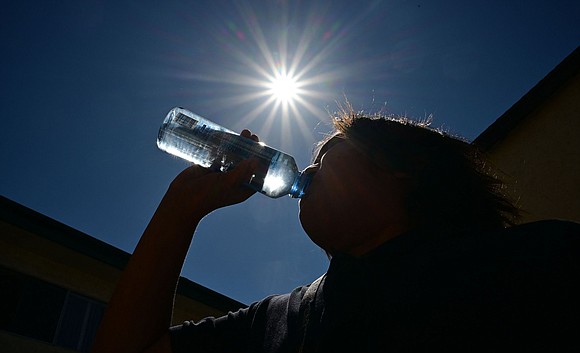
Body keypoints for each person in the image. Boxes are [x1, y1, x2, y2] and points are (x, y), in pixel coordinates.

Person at [91, 107, 580, 353]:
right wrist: (181, 209)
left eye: (326, 155)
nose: (309, 167)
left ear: (400, 170)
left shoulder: (531, 261)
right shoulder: (278, 320)